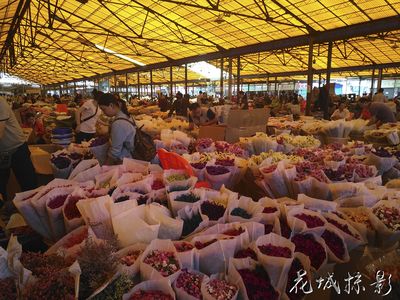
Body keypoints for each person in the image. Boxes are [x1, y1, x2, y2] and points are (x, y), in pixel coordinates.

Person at [0, 97, 37, 203]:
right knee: (1, 185)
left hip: (17, 149)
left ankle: (31, 211)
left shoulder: (0, 103)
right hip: (2, 152)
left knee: (28, 184)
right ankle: (5, 212)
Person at [98, 93, 136, 165]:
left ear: (111, 105)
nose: (103, 112)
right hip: (132, 157)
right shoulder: (126, 116)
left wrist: (105, 167)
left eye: (104, 109)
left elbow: (115, 151)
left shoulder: (118, 123)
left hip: (126, 160)